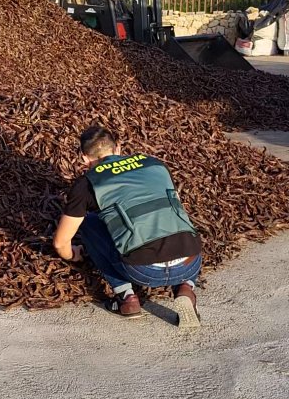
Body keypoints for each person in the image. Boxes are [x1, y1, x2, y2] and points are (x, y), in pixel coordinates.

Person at [53, 125, 203, 327]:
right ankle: (186, 287)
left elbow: (61, 243)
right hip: (190, 260)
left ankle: (126, 298)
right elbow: (177, 208)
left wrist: (75, 255)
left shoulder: (86, 185)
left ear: (84, 158)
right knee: (172, 221)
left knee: (88, 222)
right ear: (118, 149)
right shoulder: (154, 164)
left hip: (143, 269)